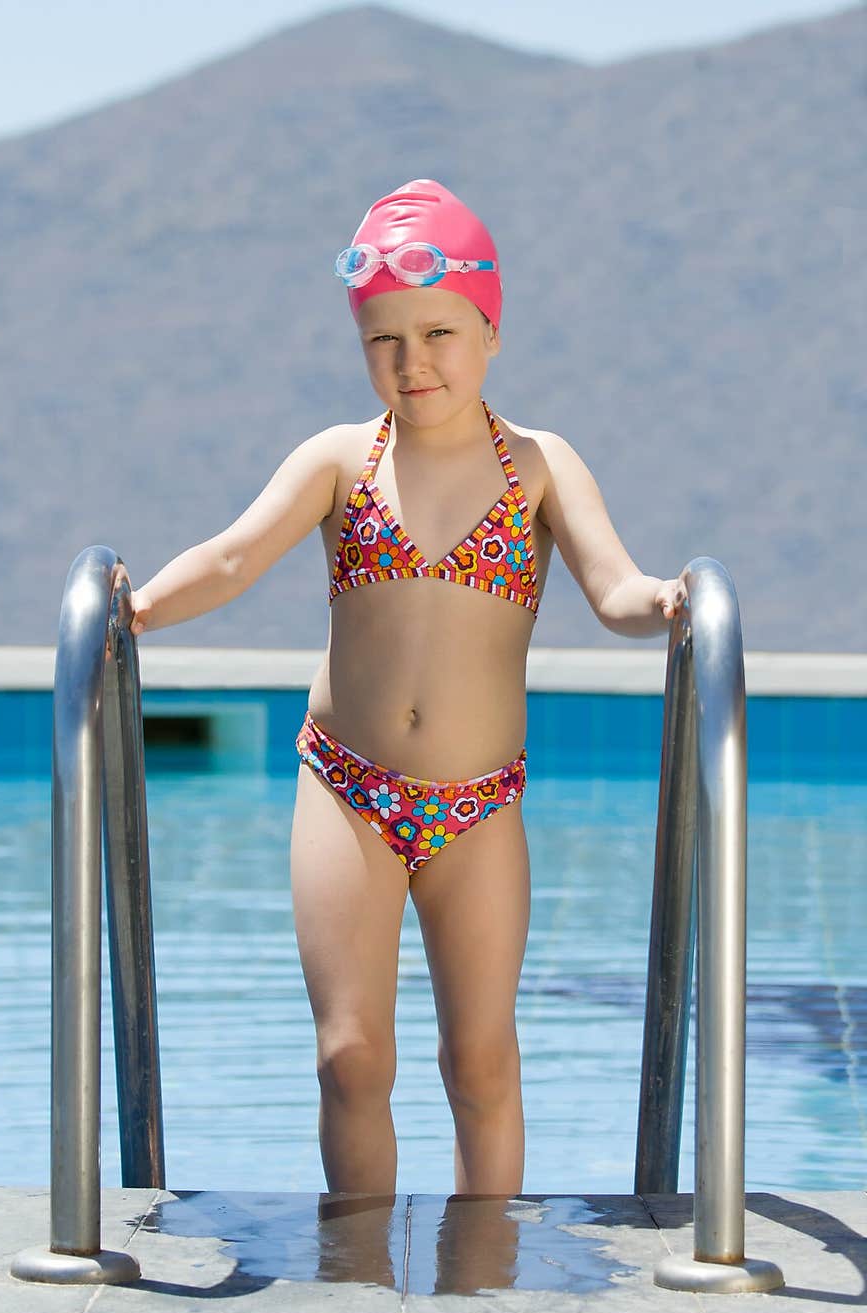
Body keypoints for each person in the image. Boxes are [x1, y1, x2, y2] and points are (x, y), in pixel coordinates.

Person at [130, 177, 687, 1199]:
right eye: (382, 339)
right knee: (350, 1057)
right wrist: (136, 609)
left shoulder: (537, 466)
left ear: (490, 331)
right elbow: (230, 557)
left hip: (476, 805)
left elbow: (611, 586)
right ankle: (356, 1269)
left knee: (478, 1062)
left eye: (438, 331)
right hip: (347, 788)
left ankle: (483, 1281)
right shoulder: (342, 460)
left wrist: (663, 601)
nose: (412, 361)